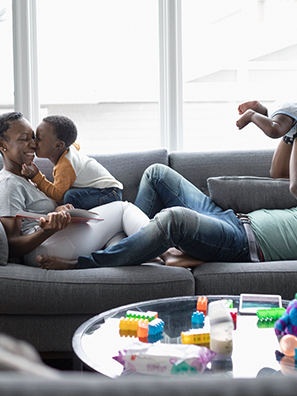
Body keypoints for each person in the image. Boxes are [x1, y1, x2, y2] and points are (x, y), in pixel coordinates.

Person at [37, 163, 297, 270]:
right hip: (232, 218)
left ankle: (88, 263)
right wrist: (289, 135)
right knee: (157, 173)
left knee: (174, 219)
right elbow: (282, 172)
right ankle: (146, 245)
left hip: (241, 242)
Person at [0, 112, 151, 267]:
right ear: (2, 144)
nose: (33, 144)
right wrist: (47, 231)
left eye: (33, 137)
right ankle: (166, 250)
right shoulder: (8, 183)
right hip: (45, 246)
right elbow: (11, 245)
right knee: (123, 209)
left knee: (118, 236)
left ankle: (143, 255)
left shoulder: (25, 178)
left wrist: (59, 209)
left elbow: (34, 214)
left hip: (55, 242)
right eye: (24, 138)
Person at [21, 115, 123, 210]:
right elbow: (76, 145)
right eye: (35, 137)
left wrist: (36, 177)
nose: (33, 142)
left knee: (71, 196)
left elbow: (57, 195)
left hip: (108, 194)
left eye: (39, 139)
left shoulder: (65, 166)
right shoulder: (70, 148)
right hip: (108, 191)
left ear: (58, 146)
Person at [236, 100, 297, 197]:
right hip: (291, 113)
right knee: (274, 130)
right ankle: (251, 114)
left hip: (290, 119)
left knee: (280, 176)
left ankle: (261, 110)